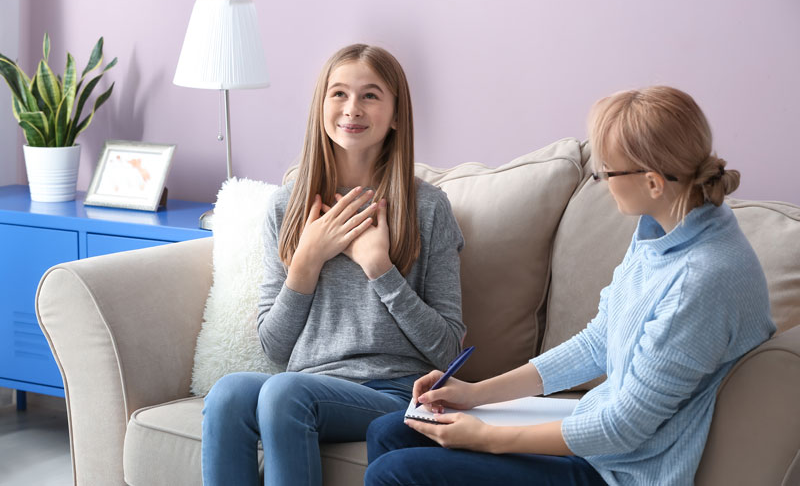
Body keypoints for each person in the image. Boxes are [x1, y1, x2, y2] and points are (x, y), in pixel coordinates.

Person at [365, 86, 776, 486]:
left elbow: (622, 429)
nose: (600, 180)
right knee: (391, 429)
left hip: (620, 470)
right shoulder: (660, 230)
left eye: (606, 173)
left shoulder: (700, 281)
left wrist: (487, 437)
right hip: (594, 440)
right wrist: (475, 394)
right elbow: (598, 341)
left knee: (393, 472)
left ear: (653, 183)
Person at [201, 44, 466, 486]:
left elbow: (448, 349)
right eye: (338, 93)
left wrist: (381, 269)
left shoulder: (429, 208)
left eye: (370, 95)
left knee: (285, 393)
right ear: (320, 107)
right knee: (228, 393)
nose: (352, 109)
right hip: (309, 381)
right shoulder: (285, 208)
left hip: (395, 390)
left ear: (396, 114)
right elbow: (274, 347)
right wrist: (305, 262)